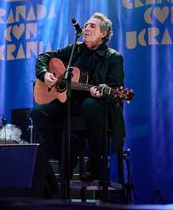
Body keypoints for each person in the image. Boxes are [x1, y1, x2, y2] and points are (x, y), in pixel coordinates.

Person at [30, 13, 125, 181]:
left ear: (103, 34)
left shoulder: (113, 58)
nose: (86, 28)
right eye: (86, 25)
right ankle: (65, 155)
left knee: (90, 104)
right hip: (71, 104)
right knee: (37, 113)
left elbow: (115, 89)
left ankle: (95, 162)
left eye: (92, 26)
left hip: (99, 109)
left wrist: (103, 92)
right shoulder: (76, 49)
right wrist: (44, 74)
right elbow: (44, 57)